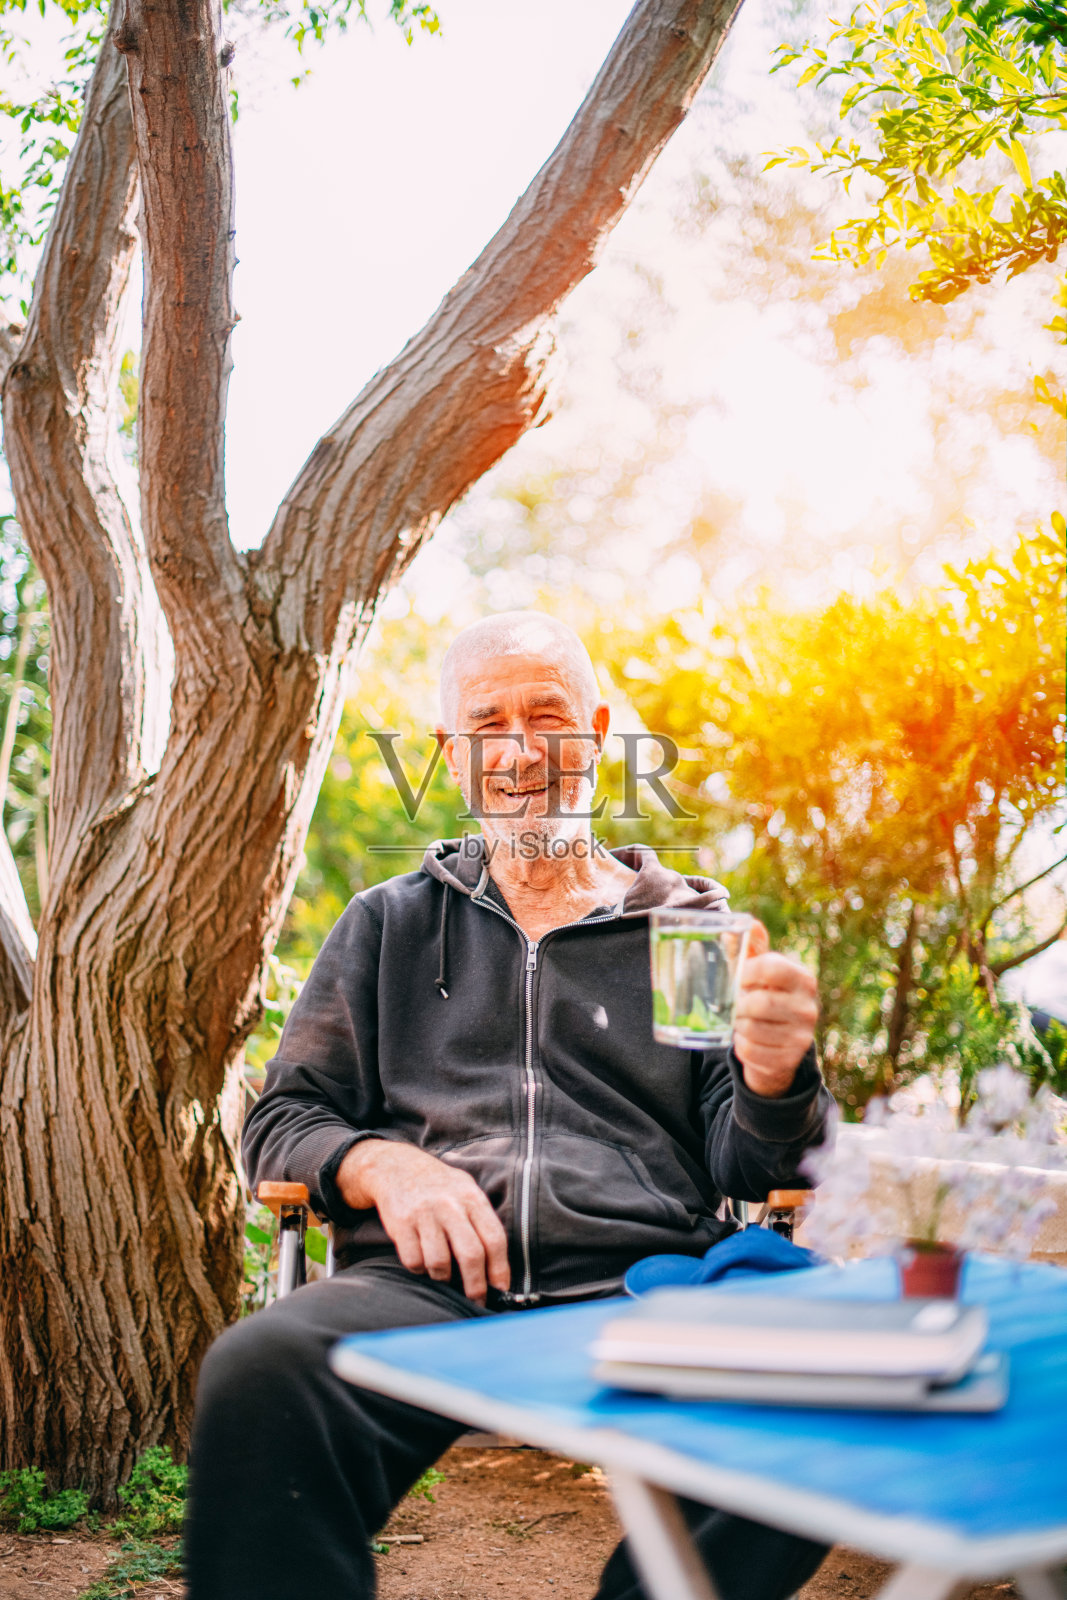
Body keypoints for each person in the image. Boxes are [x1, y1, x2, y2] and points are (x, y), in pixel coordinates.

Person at [185, 611, 832, 1600]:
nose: (522, 749)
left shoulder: (692, 930)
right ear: (452, 756)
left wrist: (774, 1074)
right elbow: (283, 1118)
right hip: (423, 1293)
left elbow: (755, 1167)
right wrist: (378, 1162)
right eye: (488, 724)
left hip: (642, 1286)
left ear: (598, 733)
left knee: (813, 1387)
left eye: (548, 715)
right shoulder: (387, 924)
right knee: (260, 1368)